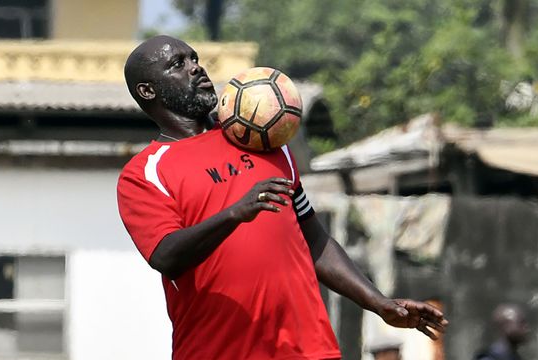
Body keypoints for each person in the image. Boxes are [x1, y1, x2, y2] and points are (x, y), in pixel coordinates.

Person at [116, 35, 448, 359]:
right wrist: (235, 213)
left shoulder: (262, 139)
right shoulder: (146, 172)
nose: (196, 68)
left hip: (309, 349)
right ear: (148, 91)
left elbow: (313, 238)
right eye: (178, 64)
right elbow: (165, 255)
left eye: (195, 59)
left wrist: (379, 302)